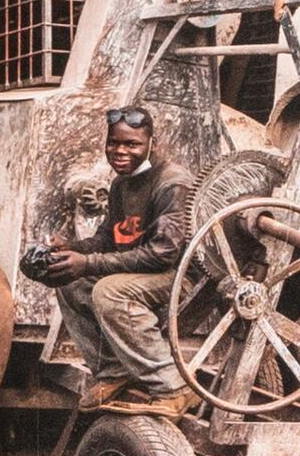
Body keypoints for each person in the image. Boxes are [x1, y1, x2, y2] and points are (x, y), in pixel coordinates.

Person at [19, 106, 190, 411]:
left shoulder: (170, 182)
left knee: (108, 291)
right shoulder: (120, 184)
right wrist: (72, 248)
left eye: (132, 144)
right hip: (143, 271)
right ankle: (114, 372)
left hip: (177, 276)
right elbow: (109, 239)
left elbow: (165, 252)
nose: (120, 151)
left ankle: (171, 388)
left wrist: (90, 264)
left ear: (152, 142)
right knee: (70, 283)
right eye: (114, 143)